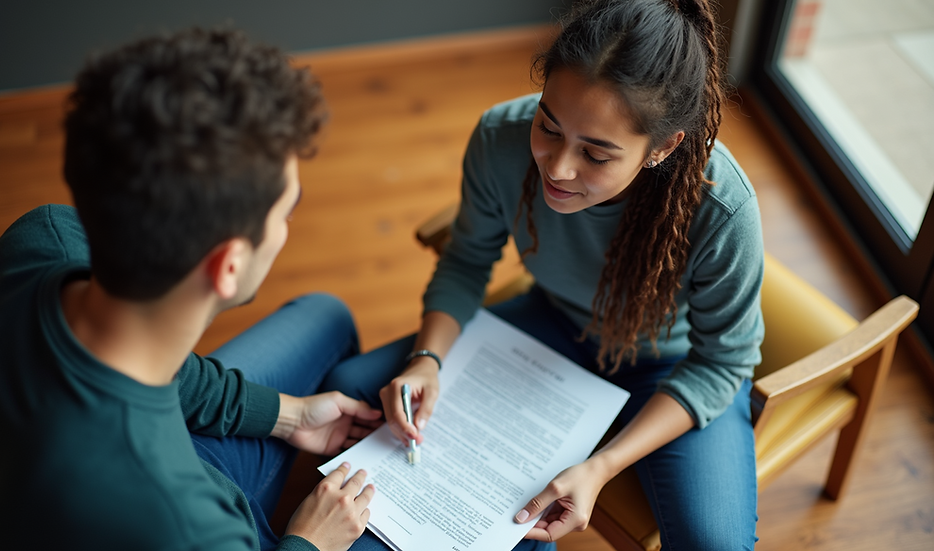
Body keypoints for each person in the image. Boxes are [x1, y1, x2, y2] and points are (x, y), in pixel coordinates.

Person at [323, 0, 764, 549]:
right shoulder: (499, 138)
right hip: (554, 322)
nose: (557, 168)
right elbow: (466, 260)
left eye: (597, 155)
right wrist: (426, 359)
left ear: (662, 147)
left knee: (713, 544)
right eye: (549, 126)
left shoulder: (722, 211)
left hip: (671, 366)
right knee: (349, 388)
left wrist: (601, 466)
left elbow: (724, 360)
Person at [0, 28, 385, 551]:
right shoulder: (181, 524)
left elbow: (156, 365)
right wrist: (309, 540)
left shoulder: (42, 237)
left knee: (326, 316)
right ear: (228, 265)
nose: (287, 228)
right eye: (286, 211)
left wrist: (287, 416)